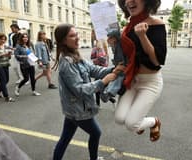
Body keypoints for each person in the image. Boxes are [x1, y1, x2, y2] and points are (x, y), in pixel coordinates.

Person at [52, 24, 123, 160]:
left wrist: (113, 69)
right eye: (72, 36)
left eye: (77, 34)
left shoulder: (74, 55)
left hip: (73, 109)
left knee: (65, 138)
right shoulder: (67, 62)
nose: (77, 37)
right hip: (78, 110)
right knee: (95, 133)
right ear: (63, 41)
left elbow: (94, 70)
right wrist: (104, 82)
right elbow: (80, 90)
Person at [114, 0, 167, 142]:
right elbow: (125, 58)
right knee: (119, 119)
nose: (129, 1)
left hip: (150, 83)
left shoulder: (156, 24)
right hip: (132, 80)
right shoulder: (127, 28)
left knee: (131, 124)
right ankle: (140, 121)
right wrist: (114, 44)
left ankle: (154, 122)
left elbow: (158, 61)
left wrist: (142, 36)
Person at [0, 33, 15, 102]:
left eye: (4, 39)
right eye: (1, 39)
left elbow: (8, 57)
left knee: (6, 80)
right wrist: (3, 54)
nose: (3, 41)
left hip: (5, 65)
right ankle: (6, 96)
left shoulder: (5, 46)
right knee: (3, 80)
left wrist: (9, 55)